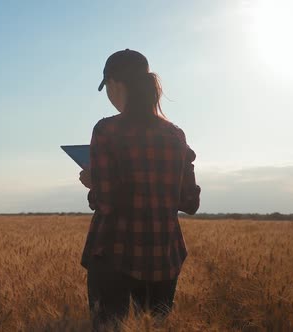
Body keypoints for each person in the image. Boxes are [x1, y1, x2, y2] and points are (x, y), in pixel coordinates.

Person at [78, 49, 201, 330]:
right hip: (164, 257)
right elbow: (189, 201)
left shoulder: (106, 130)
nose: (108, 94)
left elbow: (107, 202)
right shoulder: (175, 134)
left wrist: (93, 182)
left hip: (115, 257)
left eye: (107, 87)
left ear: (115, 83)